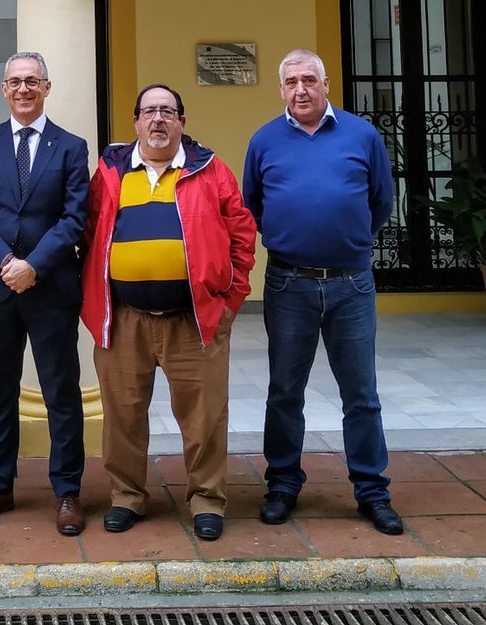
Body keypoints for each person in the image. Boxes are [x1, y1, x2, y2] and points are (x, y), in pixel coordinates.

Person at [82, 84, 256, 541]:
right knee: (122, 414)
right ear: (135, 121)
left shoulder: (210, 170)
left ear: (181, 120)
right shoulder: (110, 172)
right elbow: (86, 229)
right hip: (124, 318)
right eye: (149, 112)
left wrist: (231, 300)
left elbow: (242, 234)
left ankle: (207, 500)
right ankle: (127, 496)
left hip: (194, 318)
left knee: (204, 416)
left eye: (168, 111)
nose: (158, 120)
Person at [242, 48, 404, 535]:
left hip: (351, 283)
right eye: (290, 82)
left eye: (309, 80)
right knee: (284, 391)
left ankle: (372, 490)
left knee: (361, 394)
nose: (300, 90)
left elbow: (381, 201)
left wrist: (346, 242)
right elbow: (252, 206)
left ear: (326, 83)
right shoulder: (264, 141)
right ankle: (283, 484)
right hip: (288, 281)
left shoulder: (361, 134)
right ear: (281, 89)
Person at [0, 51, 91, 535]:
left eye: (33, 81)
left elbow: (75, 218)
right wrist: (7, 263)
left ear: (47, 88)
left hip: (50, 285)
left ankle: (68, 490)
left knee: (61, 390)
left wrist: (33, 265)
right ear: (4, 90)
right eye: (15, 82)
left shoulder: (72, 146)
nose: (24, 89)